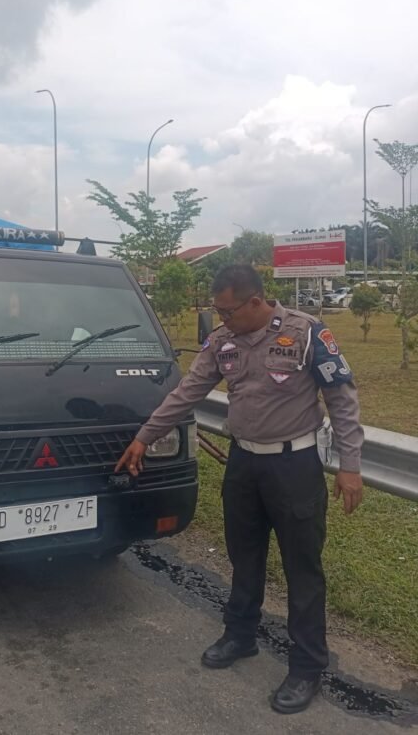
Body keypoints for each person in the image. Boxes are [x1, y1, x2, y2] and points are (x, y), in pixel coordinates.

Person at [115, 264, 364, 715]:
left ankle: (307, 667)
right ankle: (240, 635)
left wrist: (350, 466)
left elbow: (342, 399)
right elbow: (188, 390)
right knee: (243, 555)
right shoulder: (223, 341)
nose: (222, 318)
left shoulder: (306, 332)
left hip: (294, 466)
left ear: (255, 302)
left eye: (228, 310)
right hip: (244, 463)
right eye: (217, 311)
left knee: (302, 569)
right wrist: (145, 436)